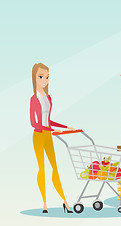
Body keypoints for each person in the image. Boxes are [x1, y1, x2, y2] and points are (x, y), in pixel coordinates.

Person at [30, 63, 74, 213]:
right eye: (41, 77)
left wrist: (65, 127)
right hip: (38, 136)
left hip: (48, 135)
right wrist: (48, 128)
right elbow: (33, 122)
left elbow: (48, 120)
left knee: (55, 167)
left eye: (47, 77)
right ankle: (44, 203)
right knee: (42, 168)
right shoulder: (34, 99)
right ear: (34, 77)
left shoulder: (48, 98)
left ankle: (65, 201)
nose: (45, 80)